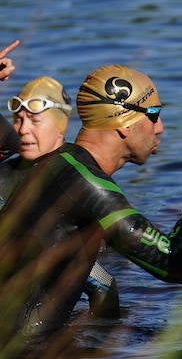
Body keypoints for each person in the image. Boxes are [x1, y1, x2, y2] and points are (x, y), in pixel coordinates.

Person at [0, 65, 182, 347]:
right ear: (124, 123)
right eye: (154, 116)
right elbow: (173, 264)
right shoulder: (85, 183)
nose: (160, 128)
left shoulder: (59, 166)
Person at [0, 76, 119, 314]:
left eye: (34, 120)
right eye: (19, 120)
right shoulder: (79, 178)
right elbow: (103, 286)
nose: (23, 129)